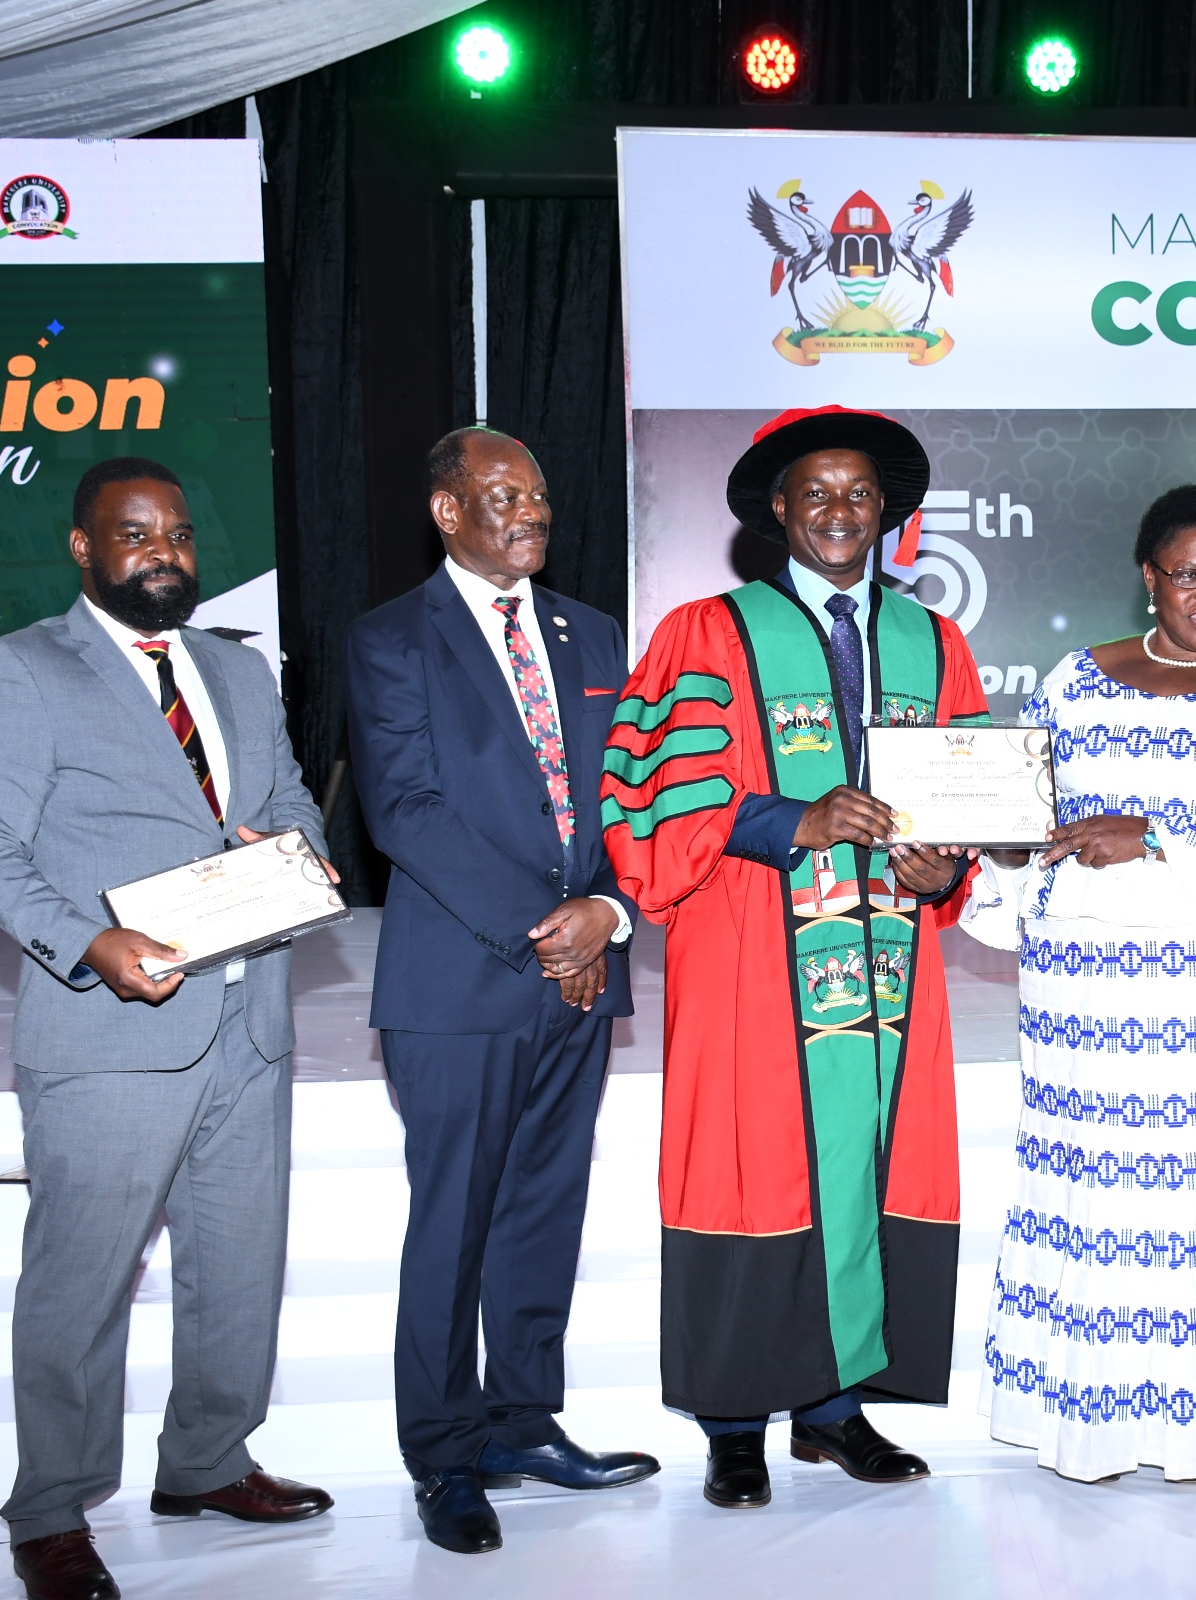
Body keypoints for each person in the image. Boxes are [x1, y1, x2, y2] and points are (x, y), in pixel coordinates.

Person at [0, 458, 337, 1600]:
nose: (162, 550)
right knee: (82, 1281)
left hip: (249, 1016)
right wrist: (84, 942)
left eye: (175, 531)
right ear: (83, 548)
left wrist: (301, 858)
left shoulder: (236, 665)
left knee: (237, 1265)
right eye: (133, 533)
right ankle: (51, 1511)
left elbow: (295, 800)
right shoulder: (24, 669)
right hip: (108, 1026)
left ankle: (209, 1460)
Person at [601, 406, 984, 1510]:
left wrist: (940, 871)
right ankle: (733, 1422)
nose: (837, 512)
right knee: (746, 1163)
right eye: (815, 492)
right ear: (778, 508)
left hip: (887, 968)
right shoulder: (705, 632)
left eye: (858, 494)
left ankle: (830, 1408)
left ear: (888, 514)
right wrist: (790, 821)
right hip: (749, 952)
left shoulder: (931, 640)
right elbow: (651, 794)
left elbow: (964, 799)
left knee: (861, 1163)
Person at [960, 485, 1196, 1483]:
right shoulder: (1075, 681)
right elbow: (1028, 808)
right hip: (1086, 999)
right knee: (1096, 1199)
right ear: (1148, 576)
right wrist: (1000, 838)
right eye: (1187, 572)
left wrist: (1157, 834)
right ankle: (1086, 1416)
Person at [345, 427, 659, 1554]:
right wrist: (553, 928)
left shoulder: (592, 630)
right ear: (446, 510)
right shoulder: (393, 639)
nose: (529, 510)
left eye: (536, 492)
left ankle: (524, 1420)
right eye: (501, 494)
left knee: (542, 1209)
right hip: (461, 982)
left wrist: (610, 914)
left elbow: (633, 796)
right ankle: (442, 1452)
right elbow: (406, 812)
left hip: (582, 976)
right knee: (456, 1223)